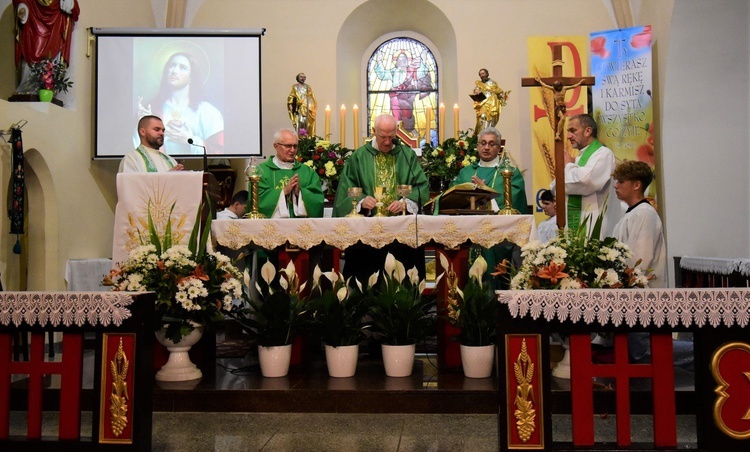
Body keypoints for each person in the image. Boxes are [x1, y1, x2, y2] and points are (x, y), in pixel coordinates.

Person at [611, 161, 691, 369]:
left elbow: (640, 259)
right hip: (629, 294)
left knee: (644, 352)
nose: (616, 186)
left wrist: (619, 280)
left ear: (636, 185)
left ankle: (709, 349)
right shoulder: (630, 214)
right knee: (638, 352)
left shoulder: (645, 213)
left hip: (641, 295)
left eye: (621, 182)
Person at [333, 114, 429, 283]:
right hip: (367, 237)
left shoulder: (407, 155)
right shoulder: (359, 157)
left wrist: (404, 203)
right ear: (373, 131)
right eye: (383, 137)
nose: (387, 142)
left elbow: (420, 187)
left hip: (400, 234)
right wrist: (362, 201)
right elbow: (346, 189)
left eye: (392, 137)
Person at [137, 52, 224, 155]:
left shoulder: (208, 112)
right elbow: (138, 150)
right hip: (161, 169)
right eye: (172, 66)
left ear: (191, 77)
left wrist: (190, 140)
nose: (174, 71)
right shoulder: (152, 109)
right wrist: (142, 124)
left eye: (182, 67)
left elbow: (218, 153)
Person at [553, 113, 621, 238]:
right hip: (578, 223)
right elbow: (555, 187)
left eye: (573, 131)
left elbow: (585, 181)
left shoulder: (603, 154)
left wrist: (568, 166)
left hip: (595, 223)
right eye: (568, 131)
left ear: (588, 131)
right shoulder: (578, 159)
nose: (568, 136)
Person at [450, 127, 527, 213]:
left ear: (499, 148)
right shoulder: (466, 173)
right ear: (477, 146)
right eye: (483, 143)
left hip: (499, 223)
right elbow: (453, 199)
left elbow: (516, 201)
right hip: (469, 223)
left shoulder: (510, 172)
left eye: (491, 144)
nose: (486, 147)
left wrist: (486, 193)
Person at [12, 0, 80, 94]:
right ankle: (27, 86)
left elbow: (75, 10)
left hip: (56, 19)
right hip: (32, 17)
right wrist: (22, 5)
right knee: (31, 51)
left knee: (52, 56)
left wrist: (70, 3)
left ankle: (48, 85)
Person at [257, 129, 324, 219]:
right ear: (276, 146)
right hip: (272, 229)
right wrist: (283, 192)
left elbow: (317, 201)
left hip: (300, 228)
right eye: (288, 146)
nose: (292, 150)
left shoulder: (307, 172)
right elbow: (257, 201)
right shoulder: (262, 171)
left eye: (295, 146)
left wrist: (300, 193)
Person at [373, 50, 433, 134]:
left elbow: (421, 73)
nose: (402, 62)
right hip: (395, 97)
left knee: (408, 115)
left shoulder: (411, 71)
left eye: (404, 60)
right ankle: (397, 133)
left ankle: (411, 131)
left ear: (407, 61)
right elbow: (382, 74)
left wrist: (423, 60)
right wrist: (379, 61)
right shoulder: (393, 72)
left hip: (407, 97)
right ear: (396, 62)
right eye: (400, 60)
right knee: (396, 115)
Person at [119, 115, 185, 173]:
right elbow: (132, 186)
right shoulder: (132, 159)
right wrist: (167, 177)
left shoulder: (170, 160)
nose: (162, 133)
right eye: (157, 129)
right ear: (142, 132)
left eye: (163, 130)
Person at [472, 68, 507, 135]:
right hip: (483, 103)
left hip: (492, 103)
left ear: (487, 74)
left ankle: (488, 133)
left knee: (491, 119)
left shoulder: (493, 83)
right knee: (482, 117)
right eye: (480, 74)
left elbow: (498, 91)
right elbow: (475, 91)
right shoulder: (479, 84)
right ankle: (481, 134)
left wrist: (502, 96)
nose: (482, 75)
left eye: (483, 73)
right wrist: (476, 92)